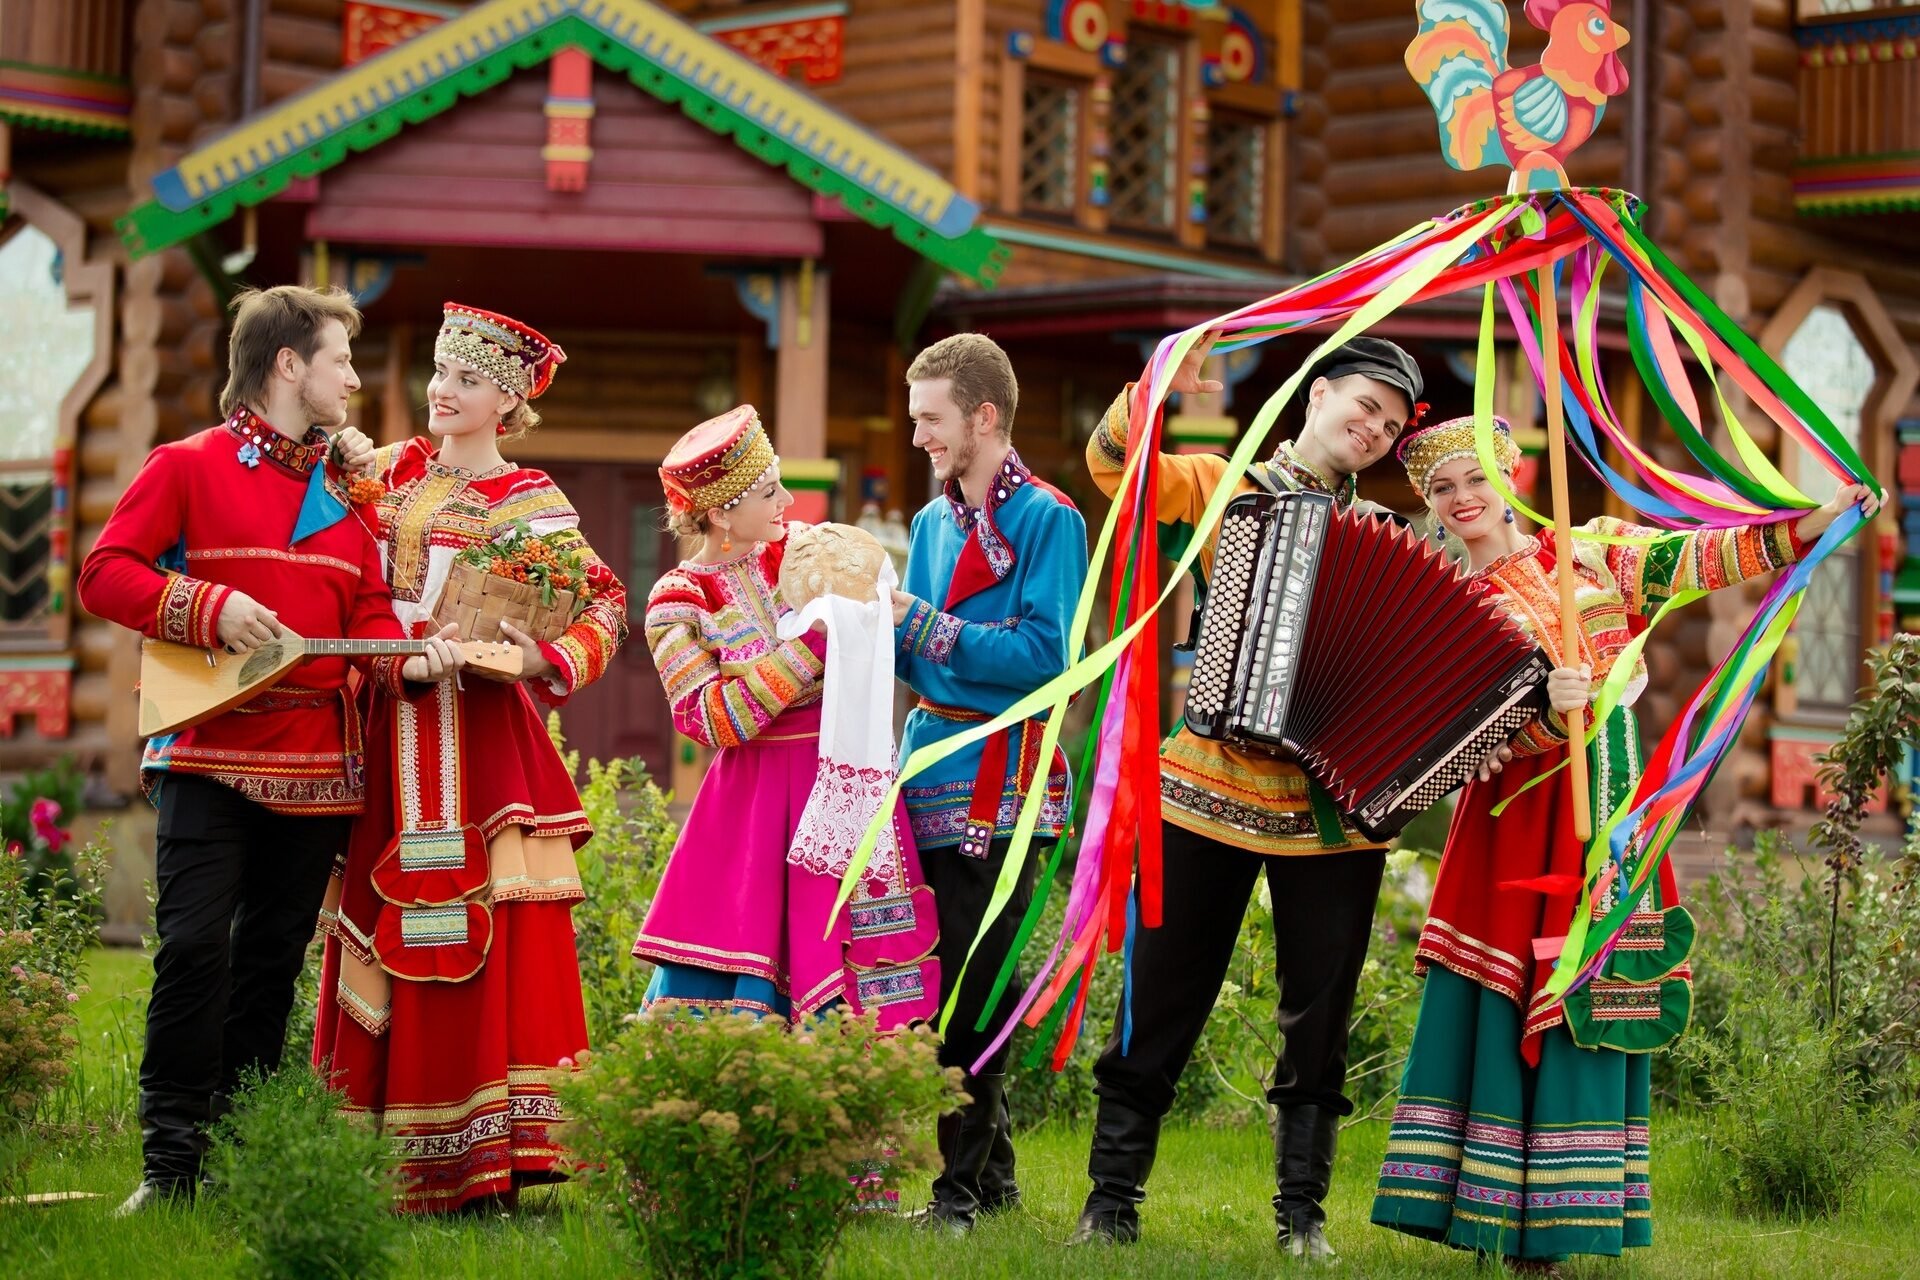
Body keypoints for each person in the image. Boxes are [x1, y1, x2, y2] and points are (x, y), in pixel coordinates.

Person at [1370, 415, 1878, 1271]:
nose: (1461, 500)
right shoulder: (1450, 607)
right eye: (1441, 489)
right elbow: (1449, 744)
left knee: (1600, 981)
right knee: (1520, 987)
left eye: (1474, 479)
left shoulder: (1592, 552)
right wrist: (1536, 708)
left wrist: (1814, 524)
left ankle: (1572, 1218)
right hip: (1514, 829)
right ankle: (1498, 1218)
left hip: (1613, 812)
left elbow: (1697, 560)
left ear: (1513, 479)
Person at [77, 285, 464, 1214]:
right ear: (288, 365)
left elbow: (367, 613)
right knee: (194, 951)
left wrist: (409, 664)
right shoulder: (185, 465)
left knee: (269, 965)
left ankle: (239, 1155)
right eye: (340, 360)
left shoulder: (349, 495)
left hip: (318, 772)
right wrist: (207, 608)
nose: (353, 379)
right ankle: (170, 1169)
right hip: (205, 755)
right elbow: (104, 573)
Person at [1073, 333, 1427, 1258]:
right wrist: (1154, 386)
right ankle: (1109, 1206)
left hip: (1332, 812)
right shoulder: (1222, 487)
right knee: (1162, 993)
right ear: (1317, 394)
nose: (1375, 430)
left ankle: (1302, 1219)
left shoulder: (1389, 541)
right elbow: (1114, 467)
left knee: (1321, 1014)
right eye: (1365, 406)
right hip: (1205, 787)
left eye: (1391, 426)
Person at [314, 302, 628, 1214]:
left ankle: (486, 1158)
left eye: (467, 381)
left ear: (508, 401)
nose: (443, 392)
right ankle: (371, 1157)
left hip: (480, 737)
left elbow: (601, 601)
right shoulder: (388, 475)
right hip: (388, 724)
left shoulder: (532, 502)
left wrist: (539, 659)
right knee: (383, 914)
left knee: (481, 932)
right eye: (441, 375)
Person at [631, 405, 940, 1030]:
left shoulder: (810, 554)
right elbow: (710, 717)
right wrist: (813, 646)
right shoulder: (678, 599)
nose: (789, 500)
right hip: (752, 803)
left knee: (855, 967)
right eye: (770, 490)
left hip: (842, 781)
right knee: (746, 968)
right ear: (720, 512)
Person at [889, 333, 1090, 1232]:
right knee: (940, 977)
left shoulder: (1051, 519)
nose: (919, 437)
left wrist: (927, 631)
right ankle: (995, 1182)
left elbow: (1048, 657)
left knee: (978, 982)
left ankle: (956, 1193)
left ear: (983, 416)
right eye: (913, 419)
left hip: (1005, 781)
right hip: (926, 768)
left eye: (931, 420)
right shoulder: (931, 524)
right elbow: (922, 655)